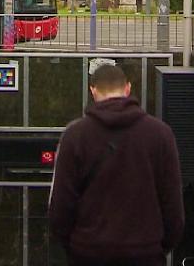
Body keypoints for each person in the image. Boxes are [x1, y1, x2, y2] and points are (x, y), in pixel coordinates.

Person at [48, 63, 184, 266]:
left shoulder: (75, 136)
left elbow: (60, 207)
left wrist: (78, 247)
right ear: (127, 89)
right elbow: (173, 207)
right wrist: (154, 248)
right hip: (145, 255)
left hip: (88, 254)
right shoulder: (161, 134)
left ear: (93, 91)